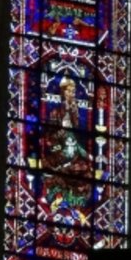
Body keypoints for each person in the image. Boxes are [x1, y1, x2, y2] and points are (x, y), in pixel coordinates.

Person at [41, 76, 92, 209]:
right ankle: (56, 195)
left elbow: (77, 137)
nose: (71, 94)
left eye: (73, 91)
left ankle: (75, 198)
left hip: (72, 150)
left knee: (84, 167)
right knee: (58, 166)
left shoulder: (75, 114)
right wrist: (60, 135)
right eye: (68, 91)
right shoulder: (55, 113)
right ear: (62, 92)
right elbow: (49, 136)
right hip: (59, 151)